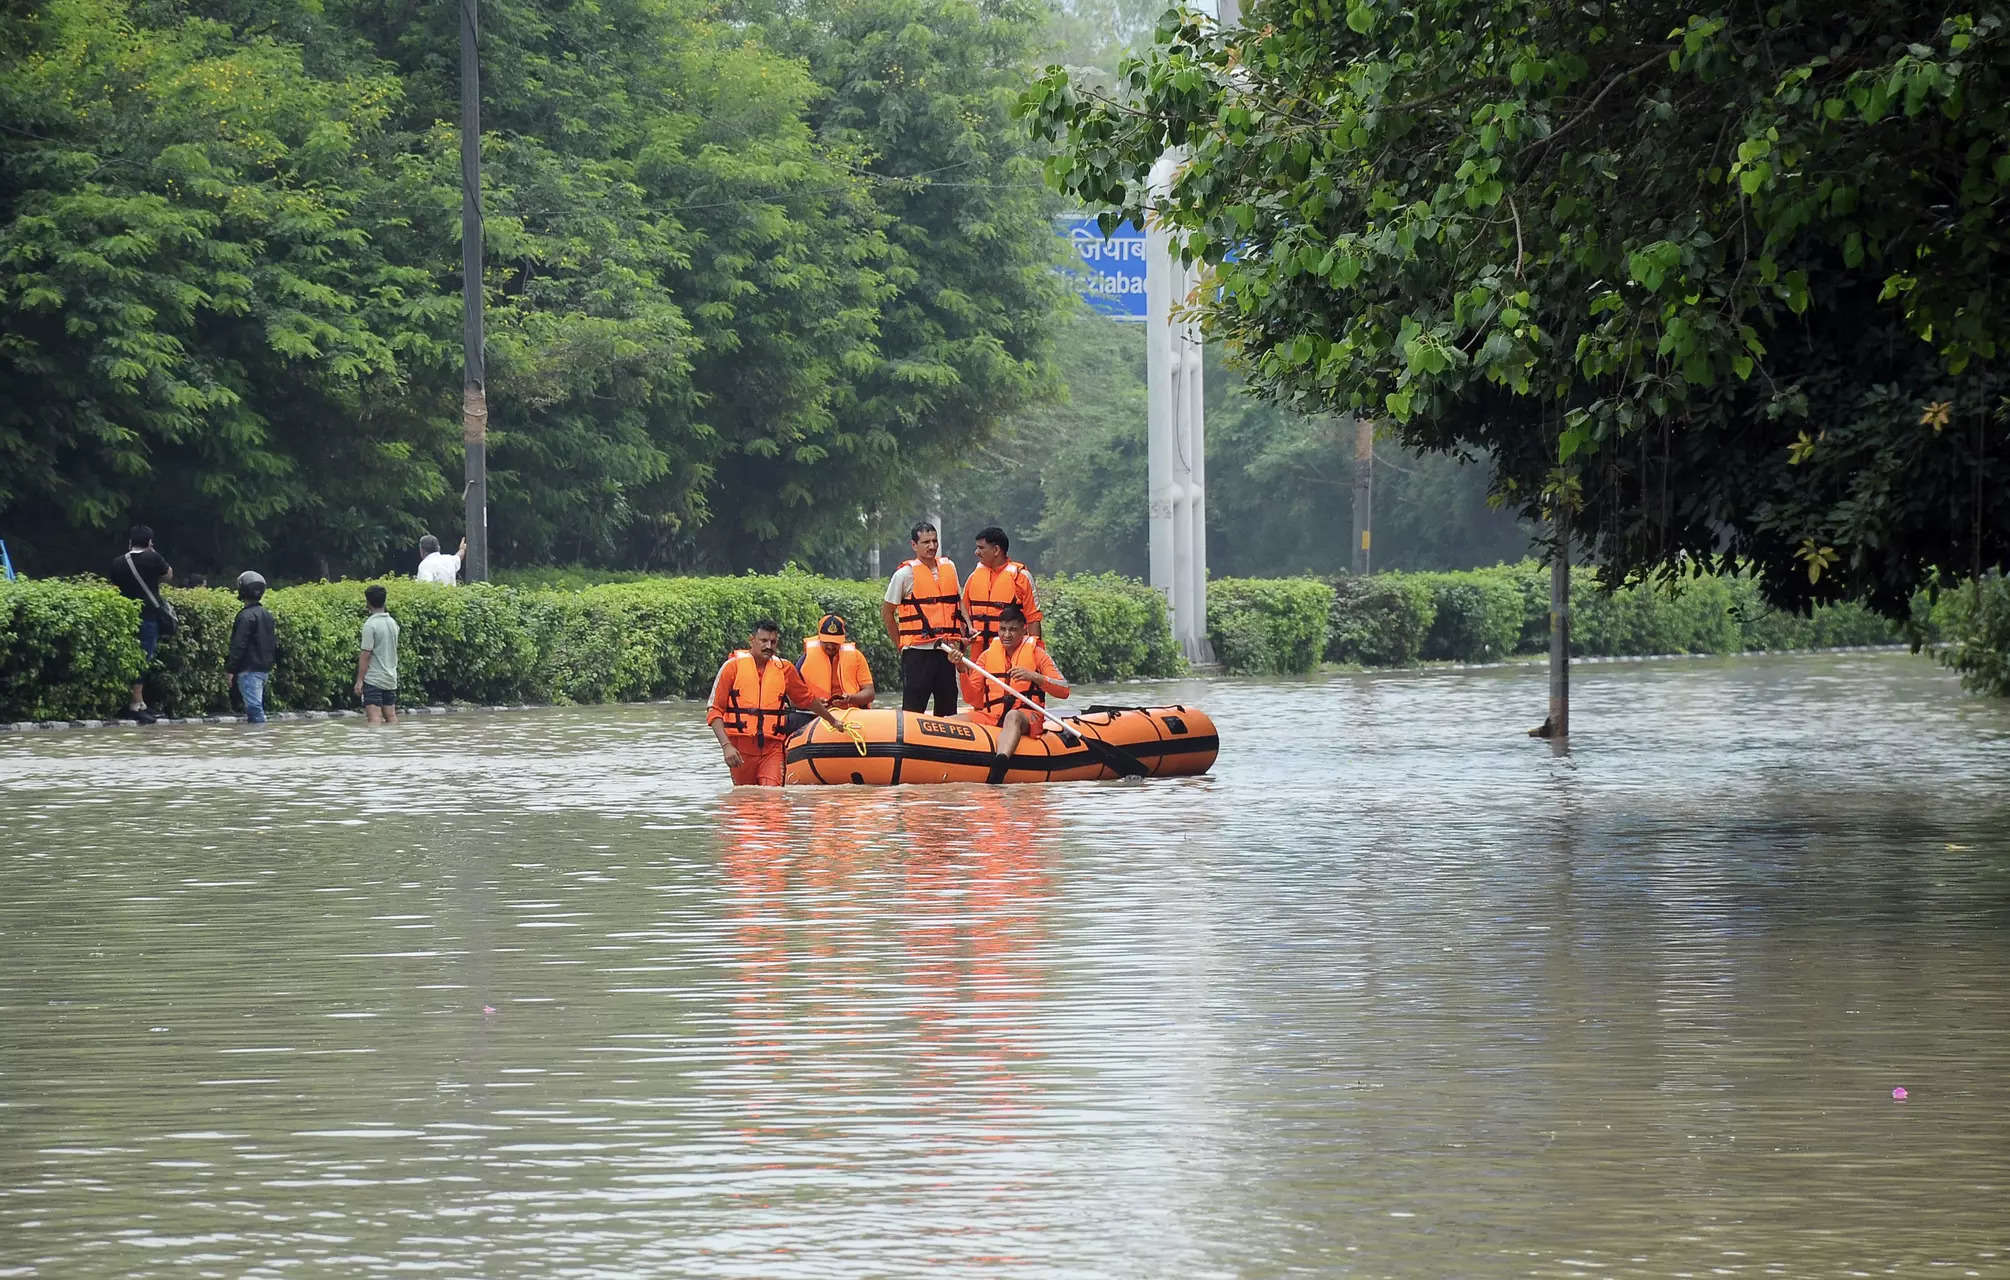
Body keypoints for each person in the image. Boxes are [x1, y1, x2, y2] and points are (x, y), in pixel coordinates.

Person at [706, 619, 844, 786]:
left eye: (773, 642)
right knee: (745, 801)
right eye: (764, 641)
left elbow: (807, 700)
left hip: (773, 748)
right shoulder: (731, 667)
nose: (769, 646)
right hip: (741, 748)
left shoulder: (784, 668)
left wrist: (832, 720)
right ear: (752, 641)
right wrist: (726, 746)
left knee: (773, 800)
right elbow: (714, 711)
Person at [965, 604, 1071, 776]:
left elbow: (1064, 690)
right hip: (992, 716)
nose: (1007, 635)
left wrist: (1034, 676)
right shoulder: (986, 656)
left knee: (1012, 716)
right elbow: (973, 700)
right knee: (953, 719)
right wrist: (962, 671)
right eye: (1003, 629)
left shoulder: (1037, 654)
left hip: (1027, 716)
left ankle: (999, 766)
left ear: (1024, 630)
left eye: (1013, 630)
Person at [880, 521, 969, 717]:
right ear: (914, 545)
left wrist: (966, 631)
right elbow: (887, 613)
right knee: (913, 708)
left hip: (946, 651)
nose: (932, 546)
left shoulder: (949, 567)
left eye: (934, 541)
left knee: (948, 707)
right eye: (926, 542)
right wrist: (900, 645)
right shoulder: (904, 574)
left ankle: (946, 744)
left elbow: (958, 602)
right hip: (917, 653)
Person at [111, 524, 173, 723]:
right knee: (143, 658)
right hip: (147, 616)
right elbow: (168, 575)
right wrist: (153, 552)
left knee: (131, 658)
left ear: (130, 542)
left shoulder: (118, 562)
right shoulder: (152, 557)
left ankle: (141, 701)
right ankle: (135, 703)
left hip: (126, 616)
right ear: (149, 542)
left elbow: (115, 585)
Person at [787, 613, 875, 735]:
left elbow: (870, 693)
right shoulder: (804, 660)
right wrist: (814, 703)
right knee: (793, 720)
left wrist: (850, 698)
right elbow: (793, 700)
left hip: (851, 715)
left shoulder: (856, 657)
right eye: (826, 642)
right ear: (819, 638)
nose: (830, 646)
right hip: (814, 716)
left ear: (842, 640)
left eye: (835, 642)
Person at [962, 525, 1042, 653]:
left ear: (996, 550)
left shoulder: (1021, 578)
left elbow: (1033, 620)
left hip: (1012, 653)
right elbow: (962, 616)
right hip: (978, 657)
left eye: (981, 548)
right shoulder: (973, 577)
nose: (976, 552)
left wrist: (1035, 655)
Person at [223, 571, 277, 724]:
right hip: (263, 669)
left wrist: (230, 669)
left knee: (254, 709)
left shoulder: (245, 616)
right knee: (256, 706)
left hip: (249, 670)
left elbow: (238, 645)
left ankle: (258, 741)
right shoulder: (266, 614)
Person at [354, 584, 400, 724]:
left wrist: (360, 681)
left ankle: (375, 745)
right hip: (390, 678)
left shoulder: (370, 625)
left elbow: (365, 655)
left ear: (368, 602)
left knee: (374, 719)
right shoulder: (393, 623)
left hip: (373, 679)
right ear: (384, 601)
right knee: (391, 716)